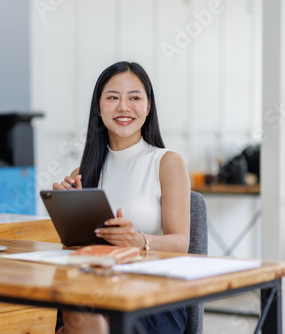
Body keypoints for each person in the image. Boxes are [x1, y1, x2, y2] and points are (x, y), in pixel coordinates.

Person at [53, 61, 190, 334]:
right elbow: (76, 253)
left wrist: (139, 240)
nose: (123, 107)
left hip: (153, 295)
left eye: (135, 98)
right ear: (98, 106)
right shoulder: (82, 174)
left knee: (81, 320)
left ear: (148, 107)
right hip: (95, 287)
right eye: (112, 97)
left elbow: (181, 243)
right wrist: (69, 215)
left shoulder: (167, 162)